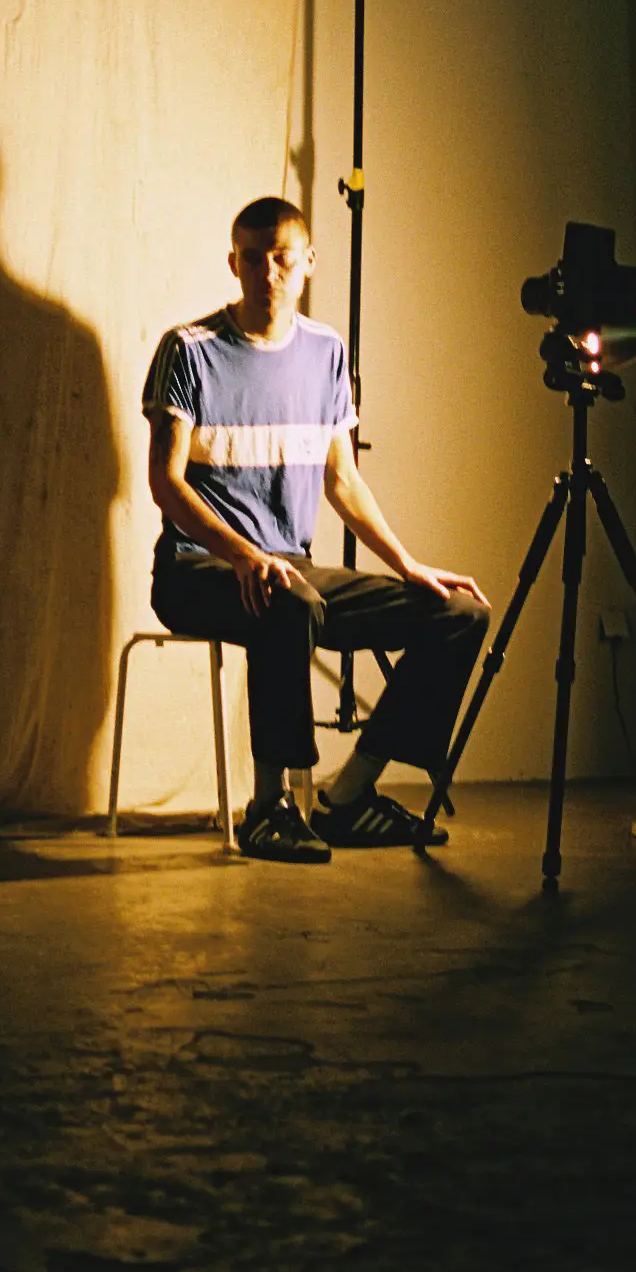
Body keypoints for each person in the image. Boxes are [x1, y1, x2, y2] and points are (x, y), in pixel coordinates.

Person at [142, 197, 490, 863]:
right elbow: (167, 482)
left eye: (281, 259)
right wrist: (242, 555)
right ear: (233, 264)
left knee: (458, 613)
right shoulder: (188, 350)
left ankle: (348, 796)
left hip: (289, 567)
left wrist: (408, 564)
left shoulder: (326, 352)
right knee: (288, 601)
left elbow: (342, 480)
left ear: (308, 262)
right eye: (252, 259)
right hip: (197, 569)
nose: (266, 274)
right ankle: (267, 808)